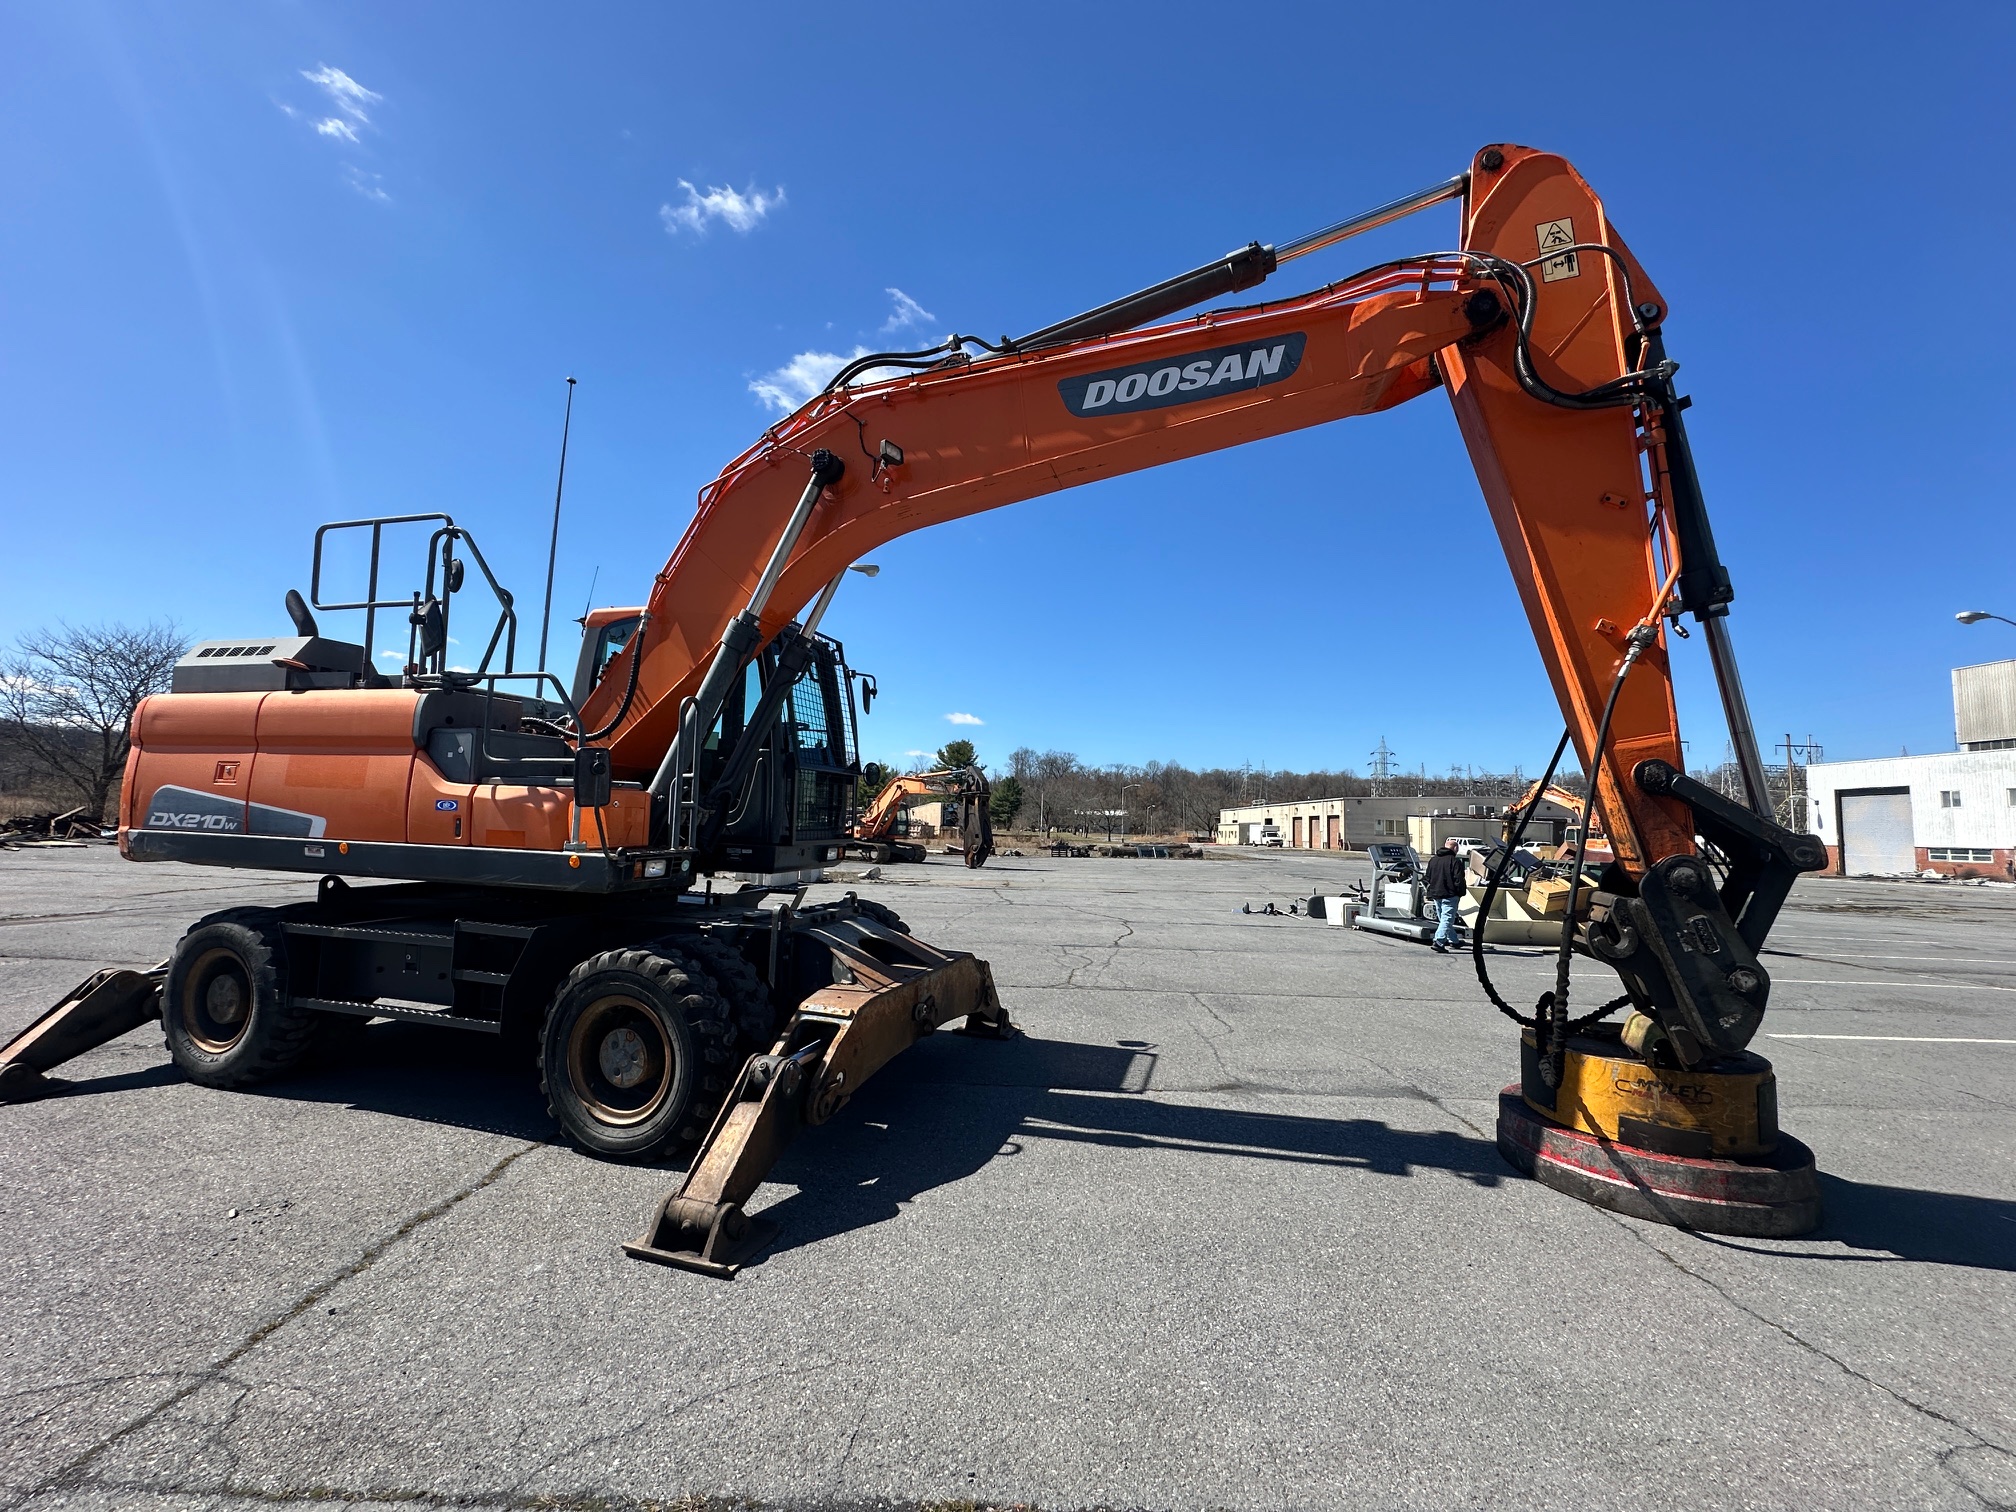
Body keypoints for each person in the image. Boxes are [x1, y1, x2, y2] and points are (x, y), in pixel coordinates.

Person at [1424, 838, 1468, 954]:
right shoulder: (1455, 861)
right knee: (1447, 918)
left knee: (1443, 919)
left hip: (1436, 893)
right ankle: (1439, 941)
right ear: (1455, 849)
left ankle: (1453, 940)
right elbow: (1458, 879)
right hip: (1450, 894)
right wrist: (1461, 892)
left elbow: (1427, 877)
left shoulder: (1433, 860)